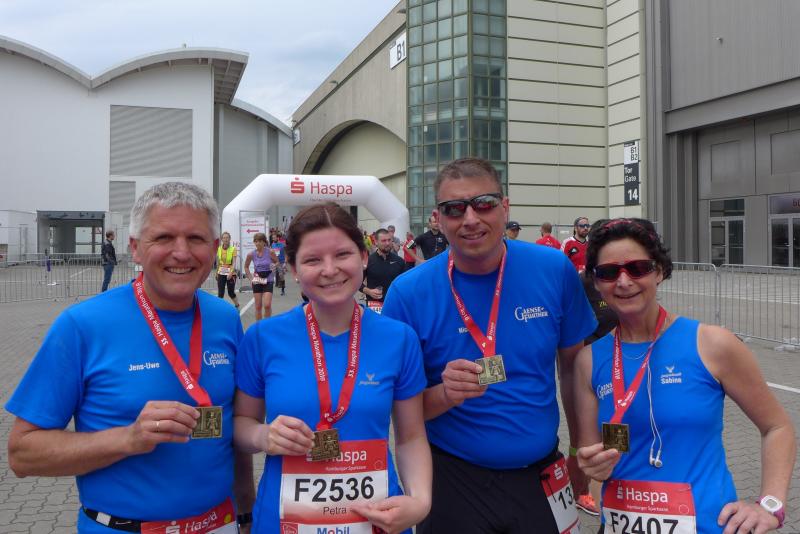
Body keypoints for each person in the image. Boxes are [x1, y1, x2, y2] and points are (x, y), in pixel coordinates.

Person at [6, 182, 254, 533]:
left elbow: (232, 428)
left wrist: (247, 512)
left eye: (196, 238)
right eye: (164, 237)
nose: (181, 253)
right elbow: (22, 454)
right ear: (135, 248)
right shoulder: (82, 325)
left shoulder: (226, 318)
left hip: (220, 523)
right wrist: (128, 439)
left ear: (214, 248)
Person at [382, 157, 598, 534]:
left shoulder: (554, 269)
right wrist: (445, 394)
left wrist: (579, 449)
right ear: (438, 218)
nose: (470, 218)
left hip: (542, 474)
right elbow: (400, 411)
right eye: (454, 208)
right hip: (452, 479)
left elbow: (574, 371)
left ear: (505, 207)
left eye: (483, 204)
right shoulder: (408, 292)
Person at [575, 218, 796, 534]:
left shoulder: (713, 344)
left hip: (707, 526)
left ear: (659, 271)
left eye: (637, 268)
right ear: (596, 282)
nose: (623, 281)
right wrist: (592, 468)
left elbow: (777, 427)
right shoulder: (588, 360)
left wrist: (770, 504)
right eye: (609, 272)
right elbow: (592, 457)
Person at [233, 203, 431, 533]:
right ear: (293, 269)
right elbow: (241, 424)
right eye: (312, 260)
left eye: (342, 254)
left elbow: (410, 437)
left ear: (363, 257)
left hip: (376, 520)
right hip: (284, 522)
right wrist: (263, 435)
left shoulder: (399, 338)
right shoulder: (262, 337)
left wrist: (420, 500)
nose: (330, 269)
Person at [361, 228, 406, 313]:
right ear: (376, 242)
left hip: (394, 304)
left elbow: (405, 284)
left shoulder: (400, 261)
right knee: (375, 322)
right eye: (383, 241)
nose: (387, 243)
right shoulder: (368, 261)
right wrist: (369, 291)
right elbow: (357, 283)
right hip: (374, 305)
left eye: (389, 240)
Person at [244, 232, 279, 321]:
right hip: (257, 280)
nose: (258, 243)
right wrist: (251, 279)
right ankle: (259, 326)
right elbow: (246, 267)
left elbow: (277, 262)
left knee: (267, 305)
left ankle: (267, 325)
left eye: (260, 241)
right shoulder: (251, 254)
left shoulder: (270, 252)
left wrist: (274, 265)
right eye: (256, 241)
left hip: (268, 279)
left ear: (264, 242)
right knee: (258, 306)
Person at [217, 231, 241, 308]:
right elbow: (219, 262)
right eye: (224, 238)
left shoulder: (233, 249)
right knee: (220, 293)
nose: (225, 239)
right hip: (221, 273)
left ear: (230, 239)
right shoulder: (219, 248)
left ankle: (237, 305)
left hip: (231, 273)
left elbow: (234, 263)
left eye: (227, 238)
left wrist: (231, 273)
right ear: (222, 239)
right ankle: (219, 309)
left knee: (231, 293)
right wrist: (217, 273)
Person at [270, 232, 287, 296]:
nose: (273, 239)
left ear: (278, 238)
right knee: (271, 275)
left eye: (274, 238)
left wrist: (285, 262)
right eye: (272, 238)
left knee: (281, 275)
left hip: (281, 262)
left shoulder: (283, 245)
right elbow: (271, 253)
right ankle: (270, 291)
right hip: (274, 262)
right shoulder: (272, 244)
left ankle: (283, 290)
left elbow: (286, 254)